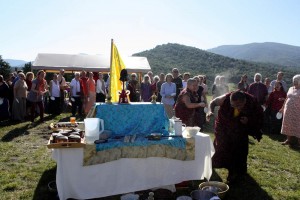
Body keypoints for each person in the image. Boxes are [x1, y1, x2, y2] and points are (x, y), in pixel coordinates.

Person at [206, 91, 263, 184]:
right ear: (230, 101)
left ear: (244, 101)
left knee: (239, 150)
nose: (237, 108)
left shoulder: (252, 101)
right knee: (221, 146)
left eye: (240, 106)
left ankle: (235, 172)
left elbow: (259, 117)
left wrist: (248, 121)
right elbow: (213, 102)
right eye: (233, 106)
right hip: (224, 125)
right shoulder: (225, 98)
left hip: (240, 129)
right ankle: (214, 164)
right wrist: (210, 111)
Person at [280, 74, 300, 146]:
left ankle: (299, 142)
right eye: (294, 80)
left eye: (296, 81)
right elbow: (286, 98)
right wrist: (282, 108)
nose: (294, 82)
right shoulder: (291, 88)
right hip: (288, 110)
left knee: (298, 125)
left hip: (298, 112)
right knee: (288, 124)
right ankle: (288, 140)